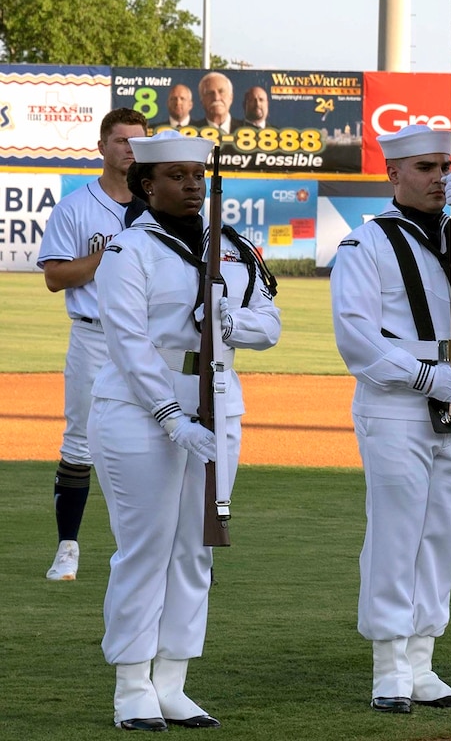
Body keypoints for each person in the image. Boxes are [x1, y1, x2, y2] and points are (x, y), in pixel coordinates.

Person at [88, 130, 280, 730]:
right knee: (146, 548)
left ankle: (172, 680)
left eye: (197, 176)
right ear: (147, 185)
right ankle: (131, 685)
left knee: (197, 548)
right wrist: (170, 415)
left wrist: (231, 318)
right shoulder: (128, 251)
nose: (191, 186)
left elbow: (270, 324)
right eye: (175, 176)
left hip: (218, 402)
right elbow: (126, 341)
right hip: (139, 409)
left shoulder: (233, 246)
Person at [330, 123, 451, 713]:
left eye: (443, 167)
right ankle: (388, 664)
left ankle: (424, 660)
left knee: (445, 530)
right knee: (397, 527)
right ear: (394, 173)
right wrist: (425, 375)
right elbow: (355, 337)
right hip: (400, 400)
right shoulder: (367, 244)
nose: (437, 178)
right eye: (425, 168)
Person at [35, 108, 149, 581]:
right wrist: (110, 256)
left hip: (147, 338)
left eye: (137, 142)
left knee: (161, 437)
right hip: (93, 334)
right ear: (101, 147)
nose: (129, 150)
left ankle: (161, 549)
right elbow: (55, 276)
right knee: (79, 439)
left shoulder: (158, 206)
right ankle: (68, 547)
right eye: (121, 141)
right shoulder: (76, 207)